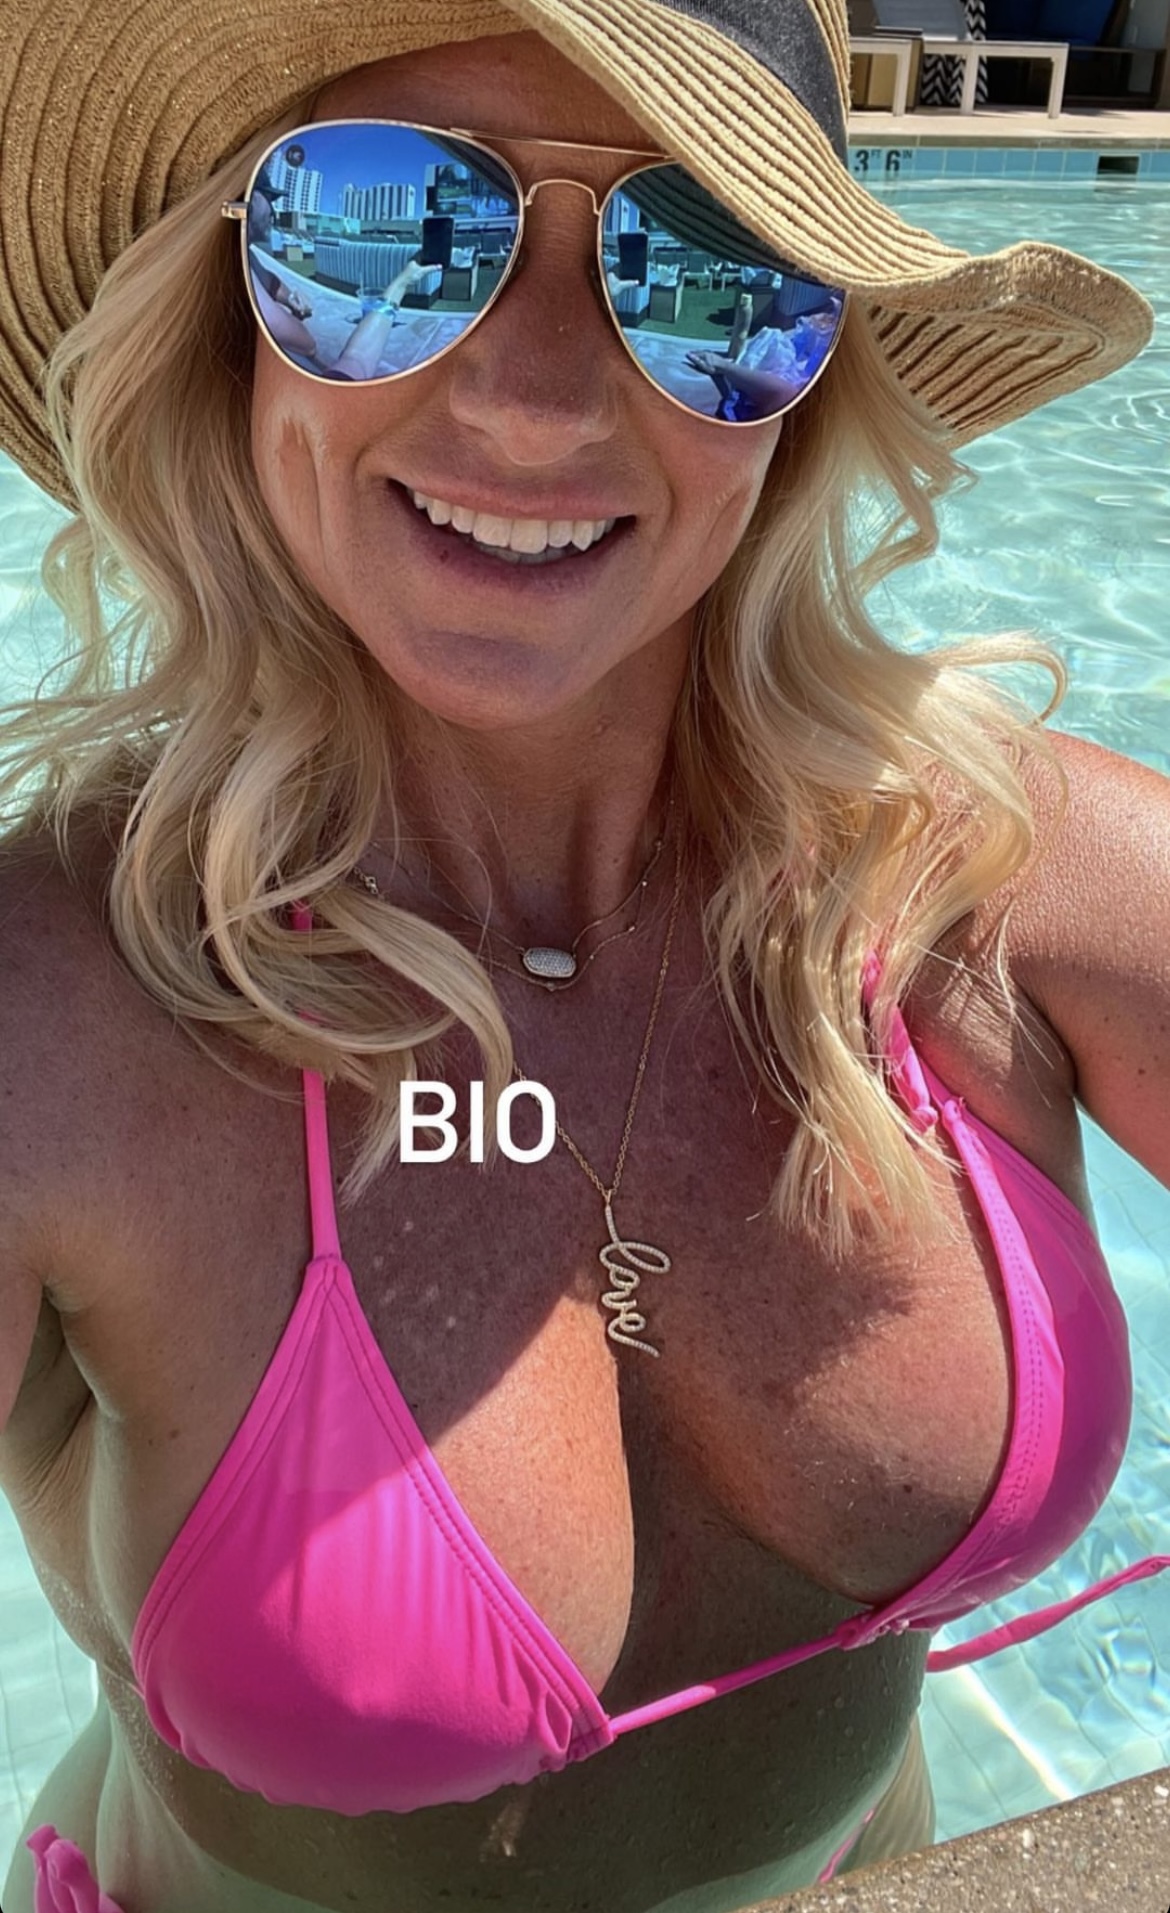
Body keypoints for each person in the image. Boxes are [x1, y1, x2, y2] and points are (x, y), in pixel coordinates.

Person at [0, 3, 1167, 1911]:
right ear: (220, 311)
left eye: (704, 267)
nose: (538, 401)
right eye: (390, 223)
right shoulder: (55, 1013)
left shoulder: (992, 881)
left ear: (805, 382)